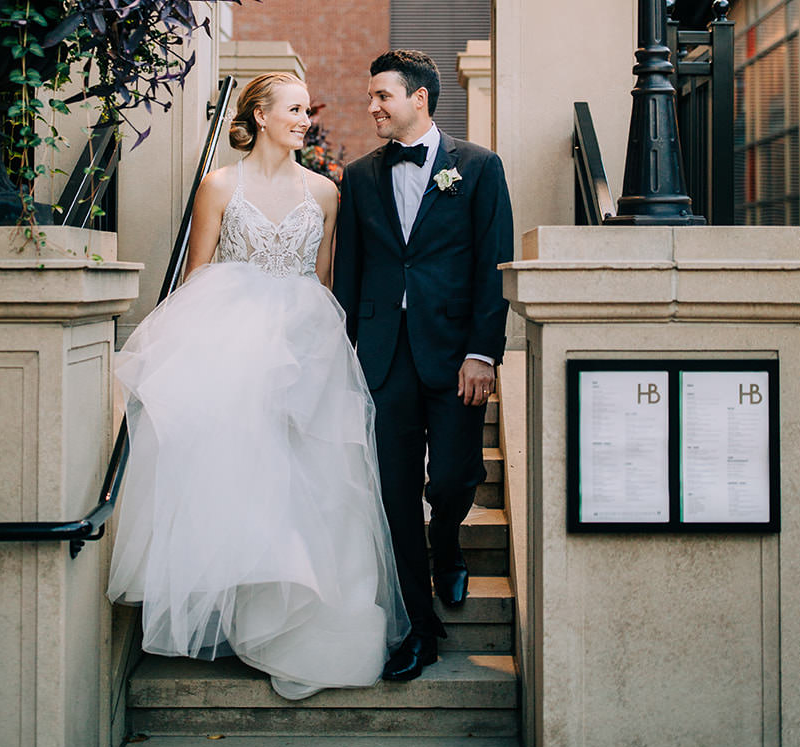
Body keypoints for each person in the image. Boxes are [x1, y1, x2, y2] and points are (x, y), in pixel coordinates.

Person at [107, 71, 408, 699]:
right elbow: (197, 274)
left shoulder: (327, 192)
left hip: (308, 342)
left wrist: (326, 353)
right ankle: (249, 613)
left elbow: (325, 278)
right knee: (242, 475)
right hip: (231, 336)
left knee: (315, 478)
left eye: (305, 111)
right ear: (262, 115)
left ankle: (307, 621)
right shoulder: (219, 185)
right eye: (295, 109)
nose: (305, 119)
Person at [333, 49, 514, 683]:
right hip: (384, 360)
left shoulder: (479, 168)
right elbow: (350, 274)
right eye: (371, 96)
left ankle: (449, 540)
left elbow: (494, 266)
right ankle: (418, 627)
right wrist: (348, 357)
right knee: (394, 493)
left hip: (455, 355)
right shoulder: (356, 178)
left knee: (456, 479)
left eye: (383, 95)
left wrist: (481, 352)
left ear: (420, 99)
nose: (373, 106)